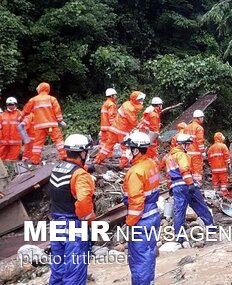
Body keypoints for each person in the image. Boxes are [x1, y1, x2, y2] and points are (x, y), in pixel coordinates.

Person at [48, 134, 96, 285]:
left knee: (58, 269)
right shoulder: (80, 175)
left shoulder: (57, 169)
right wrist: (88, 222)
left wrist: (87, 168)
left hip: (57, 223)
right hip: (74, 225)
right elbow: (83, 201)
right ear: (82, 153)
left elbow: (69, 173)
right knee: (75, 271)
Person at [122, 132, 160, 285]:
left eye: (129, 148)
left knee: (139, 258)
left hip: (141, 219)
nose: (127, 151)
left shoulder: (135, 172)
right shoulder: (151, 164)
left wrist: (129, 223)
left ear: (136, 150)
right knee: (148, 254)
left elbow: (136, 203)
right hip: (152, 215)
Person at [163, 134, 215, 241]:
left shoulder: (169, 157)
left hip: (176, 187)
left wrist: (171, 187)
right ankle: (211, 228)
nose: (188, 146)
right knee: (200, 206)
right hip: (186, 185)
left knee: (179, 211)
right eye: (188, 144)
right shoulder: (182, 155)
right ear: (183, 145)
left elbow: (168, 175)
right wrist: (190, 183)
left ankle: (179, 236)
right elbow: (184, 170)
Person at [94, 91, 145, 168]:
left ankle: (97, 160)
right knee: (125, 148)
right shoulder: (130, 108)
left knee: (107, 146)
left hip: (114, 128)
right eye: (140, 100)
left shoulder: (126, 104)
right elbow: (133, 121)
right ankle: (122, 164)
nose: (141, 102)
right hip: (122, 131)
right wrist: (140, 125)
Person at [22, 82, 67, 164]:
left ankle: (35, 160)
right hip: (51, 125)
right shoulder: (51, 99)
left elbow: (26, 110)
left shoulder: (33, 99)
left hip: (39, 127)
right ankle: (64, 155)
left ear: (39, 89)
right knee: (58, 140)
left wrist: (21, 117)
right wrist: (60, 120)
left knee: (37, 144)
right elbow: (57, 110)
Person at [184, 110, 205, 185]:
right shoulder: (199, 128)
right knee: (197, 171)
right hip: (196, 154)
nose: (203, 119)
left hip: (187, 153)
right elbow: (200, 141)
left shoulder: (187, 127)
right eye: (202, 117)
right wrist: (203, 152)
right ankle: (197, 185)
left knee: (188, 169)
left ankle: (189, 184)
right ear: (198, 118)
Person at [207, 132, 230, 197]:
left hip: (214, 169)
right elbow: (227, 157)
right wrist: (228, 164)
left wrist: (212, 166)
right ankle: (224, 194)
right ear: (221, 138)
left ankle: (215, 194)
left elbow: (209, 159)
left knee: (215, 183)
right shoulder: (223, 146)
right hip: (222, 168)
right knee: (223, 183)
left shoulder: (211, 148)